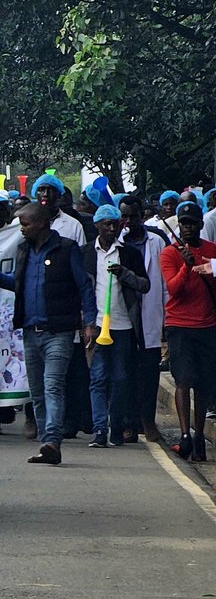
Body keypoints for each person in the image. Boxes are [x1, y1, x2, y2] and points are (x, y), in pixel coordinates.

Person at [0, 201, 97, 465]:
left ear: (42, 223)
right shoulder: (23, 251)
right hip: (30, 332)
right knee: (38, 391)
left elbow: (85, 287)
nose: (21, 229)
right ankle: (46, 443)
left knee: (53, 386)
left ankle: (53, 440)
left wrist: (90, 321)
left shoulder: (66, 249)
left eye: (26, 224)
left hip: (59, 332)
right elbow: (18, 284)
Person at [82, 204, 149, 448]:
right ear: (97, 226)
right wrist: (87, 323)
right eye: (106, 224)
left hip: (123, 326)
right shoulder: (86, 253)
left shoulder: (129, 253)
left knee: (120, 379)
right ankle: (100, 429)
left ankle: (116, 427)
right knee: (97, 378)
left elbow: (144, 285)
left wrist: (125, 274)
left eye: (115, 224)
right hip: (97, 326)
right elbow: (81, 290)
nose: (111, 228)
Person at [159, 200, 216, 461]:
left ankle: (199, 435)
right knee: (183, 381)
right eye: (184, 223)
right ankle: (184, 436)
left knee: (204, 384)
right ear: (178, 226)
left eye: (192, 223)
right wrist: (185, 266)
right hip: (179, 325)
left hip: (207, 325)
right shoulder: (170, 254)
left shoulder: (212, 250)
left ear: (200, 225)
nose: (188, 227)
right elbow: (173, 289)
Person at [118, 196, 167, 442]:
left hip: (149, 316)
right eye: (123, 217)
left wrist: (167, 316)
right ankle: (128, 423)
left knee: (148, 374)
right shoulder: (114, 244)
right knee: (125, 372)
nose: (128, 222)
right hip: (123, 316)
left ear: (142, 216)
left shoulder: (156, 242)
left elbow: (165, 282)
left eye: (133, 217)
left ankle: (148, 422)